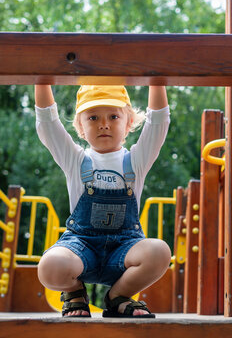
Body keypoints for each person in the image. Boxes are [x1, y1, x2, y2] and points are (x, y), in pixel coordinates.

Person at [35, 84, 171, 319]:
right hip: (81, 248)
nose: (104, 124)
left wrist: (156, 79)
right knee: (49, 266)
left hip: (124, 249)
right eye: (93, 117)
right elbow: (48, 124)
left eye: (114, 116)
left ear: (129, 123)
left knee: (159, 251)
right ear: (80, 126)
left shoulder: (136, 161)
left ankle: (118, 295)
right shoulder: (75, 160)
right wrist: (41, 79)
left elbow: (158, 122)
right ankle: (74, 292)